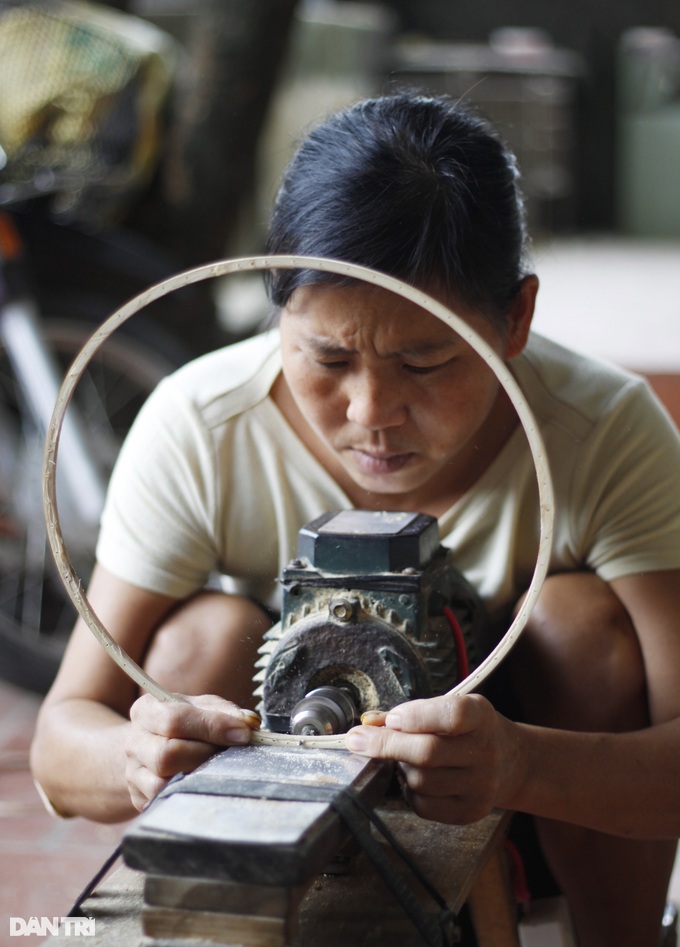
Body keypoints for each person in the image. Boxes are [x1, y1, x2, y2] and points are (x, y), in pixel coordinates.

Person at [30, 93, 680, 947]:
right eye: (327, 357)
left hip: (541, 805)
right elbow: (60, 740)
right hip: (273, 800)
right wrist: (136, 756)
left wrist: (520, 762)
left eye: (425, 361)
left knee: (580, 626)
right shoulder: (201, 425)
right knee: (200, 639)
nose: (372, 412)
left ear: (515, 318)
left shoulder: (603, 434)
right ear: (275, 310)